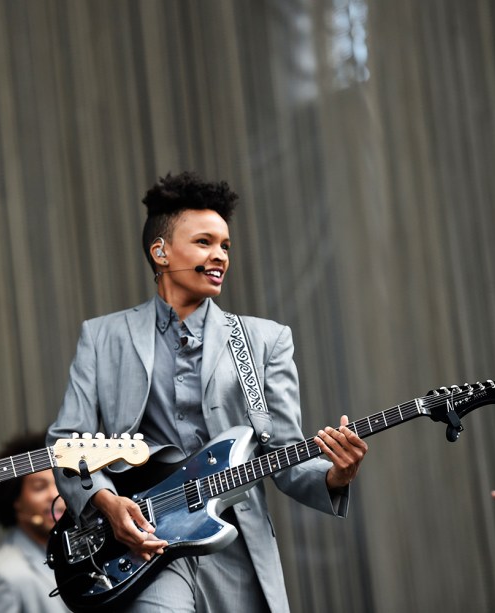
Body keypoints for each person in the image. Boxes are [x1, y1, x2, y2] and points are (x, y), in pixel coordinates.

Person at [46, 171, 368, 612]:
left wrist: (336, 475)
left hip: (235, 547)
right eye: (204, 243)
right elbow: (67, 442)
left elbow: (288, 457)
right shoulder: (103, 337)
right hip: (144, 545)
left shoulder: (264, 341)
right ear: (160, 252)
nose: (220, 256)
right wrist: (106, 502)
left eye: (225, 246)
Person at [0, 431, 69, 613]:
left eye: (60, 482)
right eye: (40, 487)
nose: (55, 495)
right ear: (15, 500)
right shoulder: (0, 578)